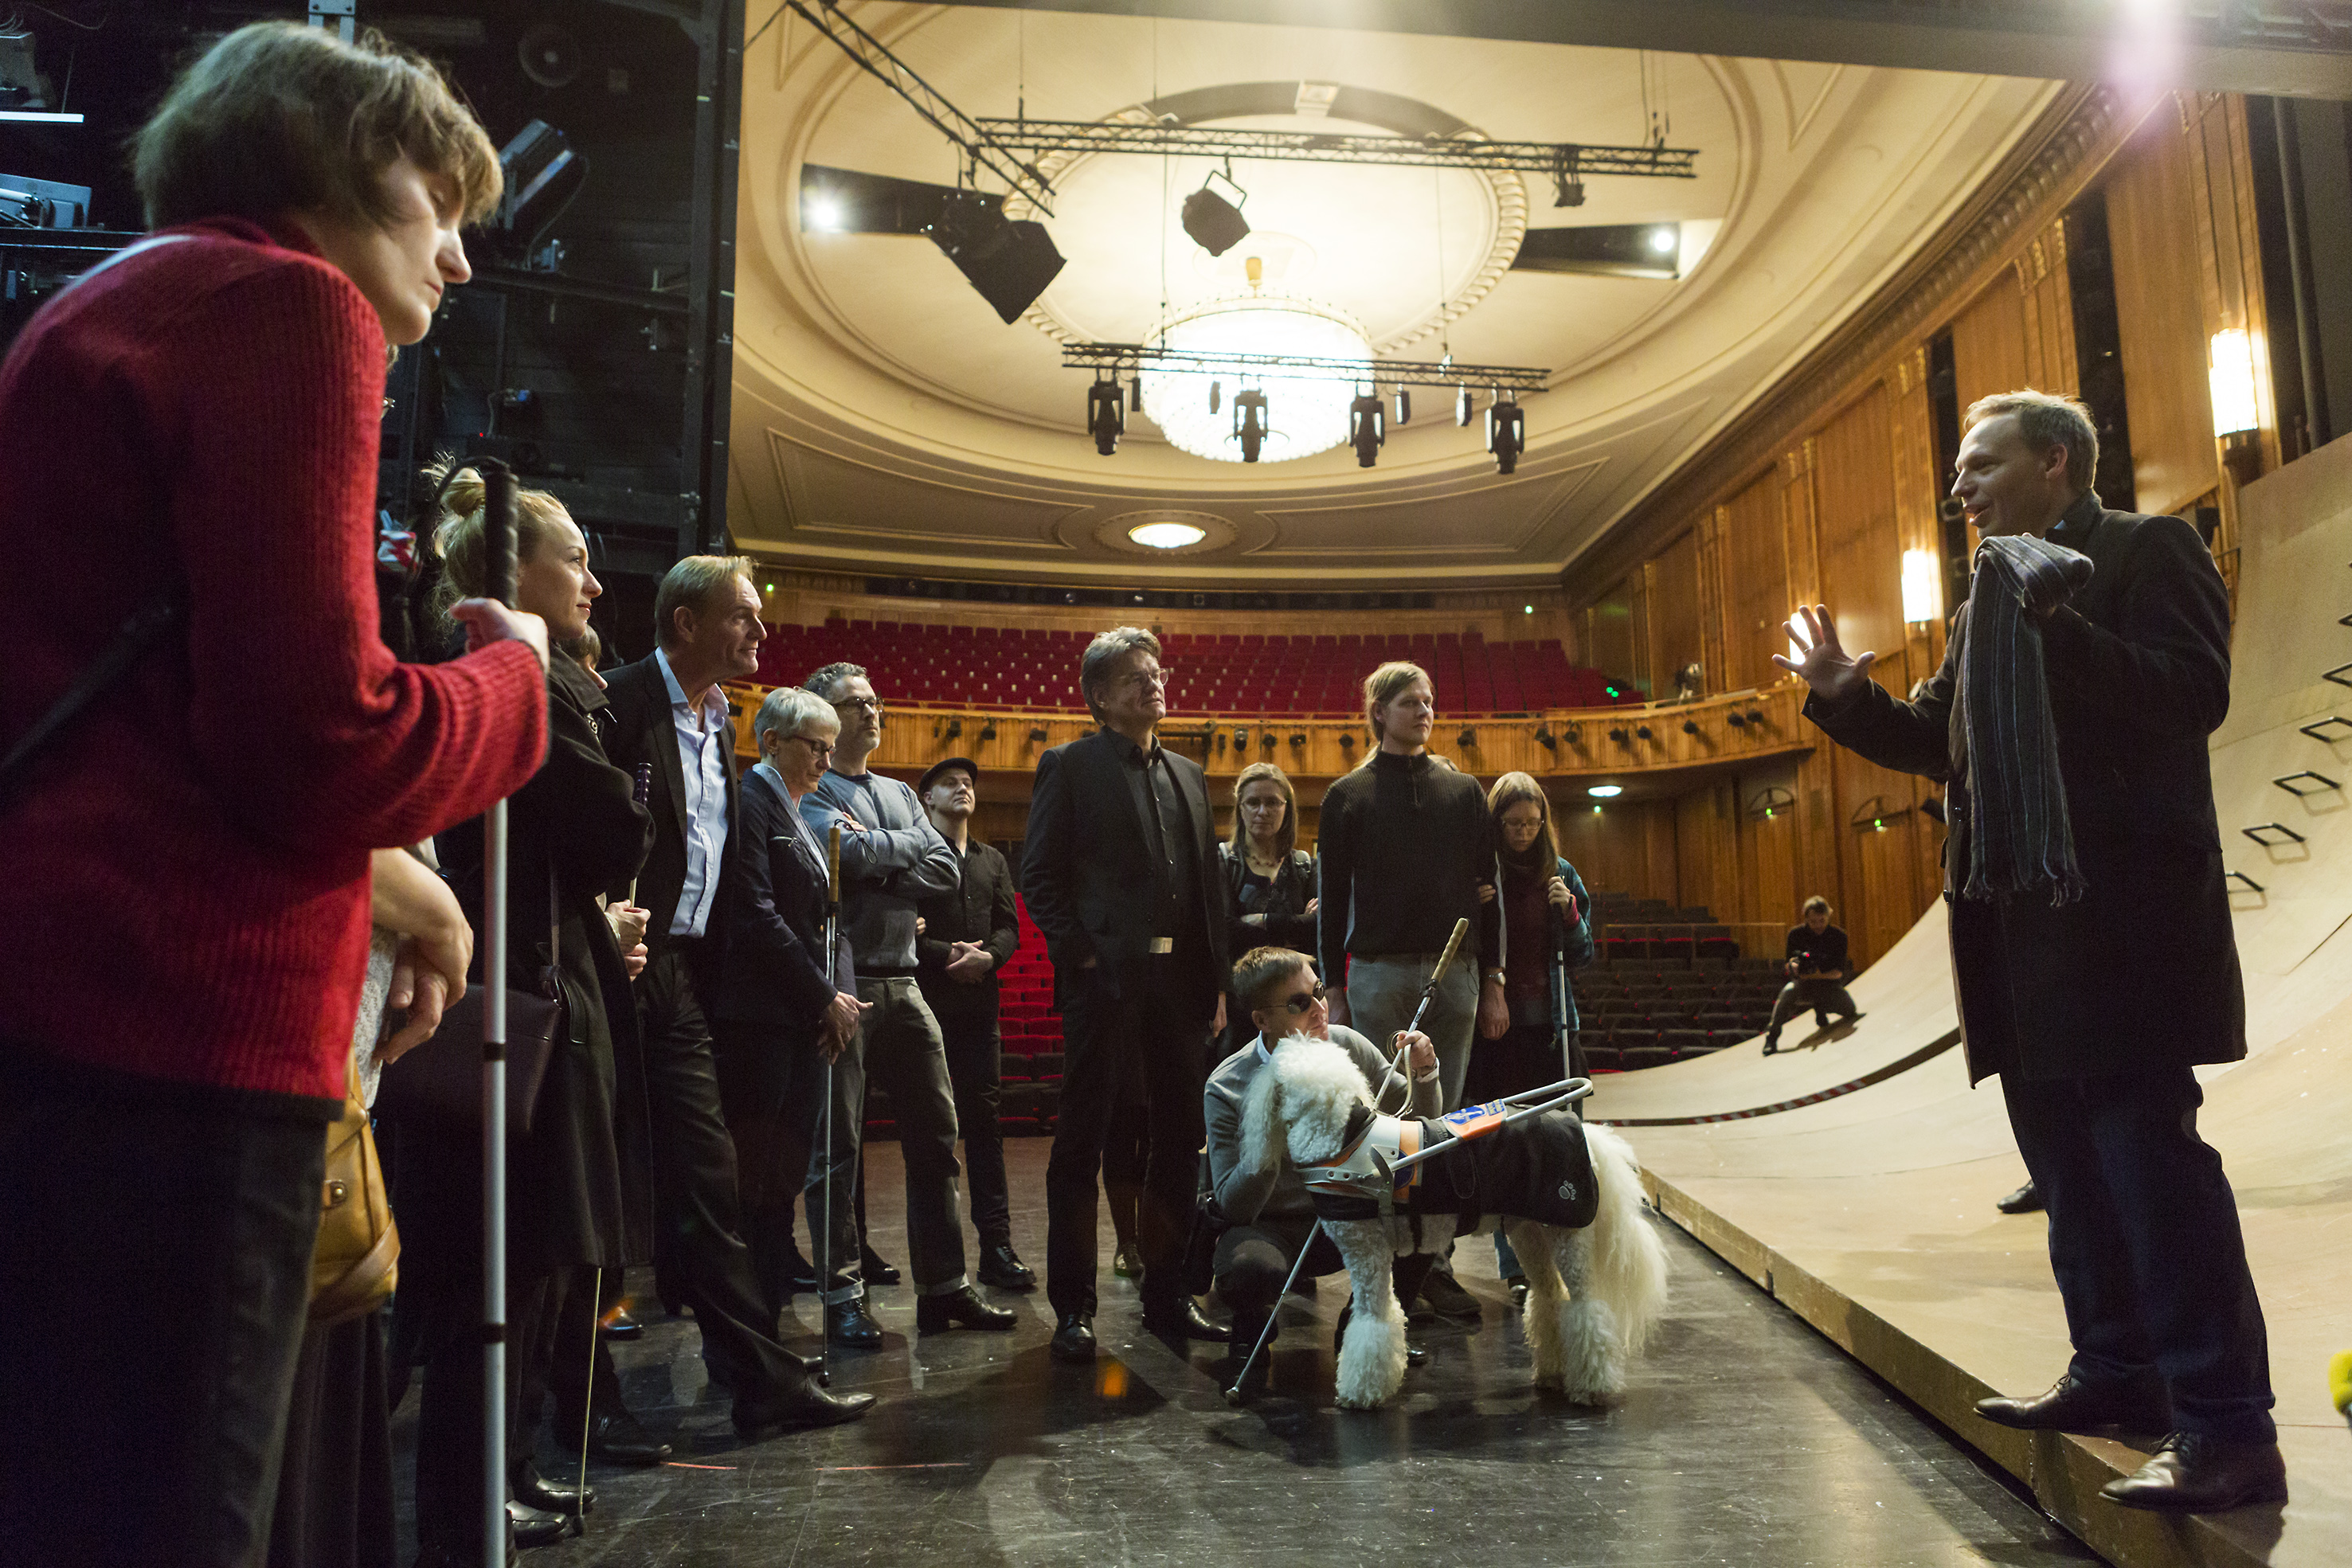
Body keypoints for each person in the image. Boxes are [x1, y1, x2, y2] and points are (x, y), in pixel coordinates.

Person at [0, 24, 552, 1566]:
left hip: (60, 1039)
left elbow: (155, 727)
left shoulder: (94, 311)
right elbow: (325, 741)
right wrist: (515, 689)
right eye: (432, 197)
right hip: (194, 1053)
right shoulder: (295, 312)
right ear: (310, 159)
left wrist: (388, 875)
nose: (455, 255)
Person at [1778, 389, 2281, 1512]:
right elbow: (1936, 742)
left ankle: (2227, 1429)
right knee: (2066, 1171)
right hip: (2022, 934)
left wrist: (2061, 623)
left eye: (1980, 464)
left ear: (2055, 461)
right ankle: (2114, 1374)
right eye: (1960, 472)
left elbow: (2191, 696)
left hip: (2127, 927)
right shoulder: (1982, 604)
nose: (1960, 487)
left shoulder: (2148, 549)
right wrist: (1844, 698)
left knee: (2155, 1175)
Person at [394, 470, 656, 1559]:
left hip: (550, 983)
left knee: (537, 1262)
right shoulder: (525, 683)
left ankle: (503, 1473)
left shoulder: (541, 681)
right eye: (576, 559)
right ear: (514, 573)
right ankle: (470, 1501)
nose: (595, 581)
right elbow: (611, 831)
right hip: (516, 998)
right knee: (493, 1273)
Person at [601, 557, 873, 1437]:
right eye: (743, 618)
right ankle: (582, 1400)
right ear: (685, 623)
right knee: (606, 1183)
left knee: (713, 1183)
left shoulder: (720, 723)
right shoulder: (619, 701)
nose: (762, 633)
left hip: (681, 978)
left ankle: (758, 1380)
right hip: (615, 964)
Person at [1021, 627, 1233, 1362]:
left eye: (1156, 672)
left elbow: (1206, 890)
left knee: (1179, 1143)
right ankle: (1074, 1310)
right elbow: (1039, 878)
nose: (1153, 684)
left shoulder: (1190, 773)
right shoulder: (1069, 765)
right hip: (1104, 987)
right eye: (1134, 677)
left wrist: (1216, 984)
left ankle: (1167, 1296)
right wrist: (1083, 957)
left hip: (1178, 989)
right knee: (1082, 1147)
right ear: (1100, 697)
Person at [800, 664, 1012, 1343]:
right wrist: (897, 855)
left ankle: (944, 1287)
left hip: (906, 981)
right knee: (836, 1149)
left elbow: (944, 867)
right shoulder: (812, 788)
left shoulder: (896, 789)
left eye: (874, 700)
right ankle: (841, 1294)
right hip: (845, 982)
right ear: (824, 719)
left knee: (937, 1138)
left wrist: (873, 858)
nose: (871, 709)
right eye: (854, 701)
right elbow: (837, 855)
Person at [1316, 661, 1503, 1320]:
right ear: (1378, 711)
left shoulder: (1463, 790)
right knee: (1385, 1120)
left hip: (1455, 973)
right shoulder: (1346, 795)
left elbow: (1490, 892)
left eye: (1428, 700)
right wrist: (1333, 987)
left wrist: (1495, 978)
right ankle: (1385, 1264)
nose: (1423, 710)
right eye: (1407, 702)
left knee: (1442, 1116)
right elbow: (1332, 897)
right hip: (1376, 969)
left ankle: (1435, 1263)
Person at [1204, 948, 1442, 1398]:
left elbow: (1417, 1128)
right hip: (1272, 1228)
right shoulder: (1226, 1085)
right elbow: (1232, 1203)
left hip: (1350, 1214)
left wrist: (1424, 1071)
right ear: (1262, 1021)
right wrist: (1264, 1142)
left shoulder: (1348, 1045)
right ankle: (1250, 1333)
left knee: (1428, 1223)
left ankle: (1365, 1326)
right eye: (1299, 1003)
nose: (1319, 1009)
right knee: (1248, 1270)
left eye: (1319, 992)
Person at [710, 689, 870, 1324]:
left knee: (781, 1177)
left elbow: (829, 922)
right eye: (815, 746)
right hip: (760, 1021)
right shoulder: (753, 802)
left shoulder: (796, 811)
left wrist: (834, 1001)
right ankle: (755, 1328)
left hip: (795, 1018)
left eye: (832, 748)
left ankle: (770, 1322)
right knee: (759, 1184)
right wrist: (821, 997)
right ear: (771, 740)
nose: (826, 761)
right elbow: (756, 913)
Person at [1462, 774, 1594, 1301]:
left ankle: (1568, 1244)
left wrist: (1570, 912)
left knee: (1564, 1140)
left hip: (1554, 1027)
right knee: (1507, 1143)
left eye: (1531, 823)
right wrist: (1472, 904)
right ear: (1496, 823)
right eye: (1512, 823)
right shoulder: (1481, 873)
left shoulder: (1560, 873)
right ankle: (1514, 1262)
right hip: (1497, 1029)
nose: (1521, 832)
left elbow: (1584, 953)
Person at [913, 756, 1037, 1292]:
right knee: (933, 1135)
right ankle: (942, 1264)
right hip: (929, 1006)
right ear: (927, 799)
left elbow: (1009, 925)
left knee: (985, 1129)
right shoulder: (913, 855)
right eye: (949, 783)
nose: (963, 788)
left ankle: (996, 1246)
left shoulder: (991, 860)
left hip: (980, 1008)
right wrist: (947, 953)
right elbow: (903, 928)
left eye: (967, 783)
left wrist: (989, 958)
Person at [1218, 762, 1319, 1054]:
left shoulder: (1303, 865)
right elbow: (1224, 929)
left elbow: (1316, 928)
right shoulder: (1225, 860)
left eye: (1273, 802)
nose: (1263, 811)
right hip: (1241, 999)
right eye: (1253, 802)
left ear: (1287, 808)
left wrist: (1263, 920)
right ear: (1240, 807)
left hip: (1295, 1000)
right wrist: (1293, 928)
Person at [1760, 897, 1862, 1054]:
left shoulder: (1839, 936)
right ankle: (1771, 1038)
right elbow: (1788, 964)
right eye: (1813, 921)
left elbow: (1837, 973)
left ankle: (1820, 1007)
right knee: (1787, 993)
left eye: (1822, 920)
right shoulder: (1795, 934)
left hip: (1829, 985)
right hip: (1804, 984)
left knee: (1850, 1011)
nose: (1818, 926)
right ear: (1806, 918)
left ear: (1829, 916)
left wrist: (1814, 974)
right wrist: (1794, 966)